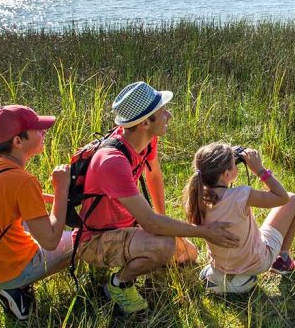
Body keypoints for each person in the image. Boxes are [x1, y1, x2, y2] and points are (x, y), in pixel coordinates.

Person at [76, 81, 241, 314]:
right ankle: (118, 285)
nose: (169, 115)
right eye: (162, 112)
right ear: (145, 122)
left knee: (188, 254)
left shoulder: (145, 139)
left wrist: (162, 218)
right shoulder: (112, 161)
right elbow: (150, 223)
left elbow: (154, 176)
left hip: (126, 224)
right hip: (95, 239)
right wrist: (204, 231)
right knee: (164, 245)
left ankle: (142, 257)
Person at [0, 105, 73, 321]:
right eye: (37, 130)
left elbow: (8, 198)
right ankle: (17, 286)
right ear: (18, 141)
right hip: (9, 271)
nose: (43, 133)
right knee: (81, 239)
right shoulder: (23, 182)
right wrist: (61, 188)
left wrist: (53, 200)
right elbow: (51, 240)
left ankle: (13, 291)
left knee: (36, 223)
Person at [183, 143, 295, 294]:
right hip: (256, 262)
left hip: (220, 264)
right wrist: (260, 170)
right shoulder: (241, 195)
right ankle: (282, 261)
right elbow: (282, 197)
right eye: (234, 164)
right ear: (226, 175)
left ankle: (223, 278)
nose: (237, 166)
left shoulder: (197, 199)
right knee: (293, 200)